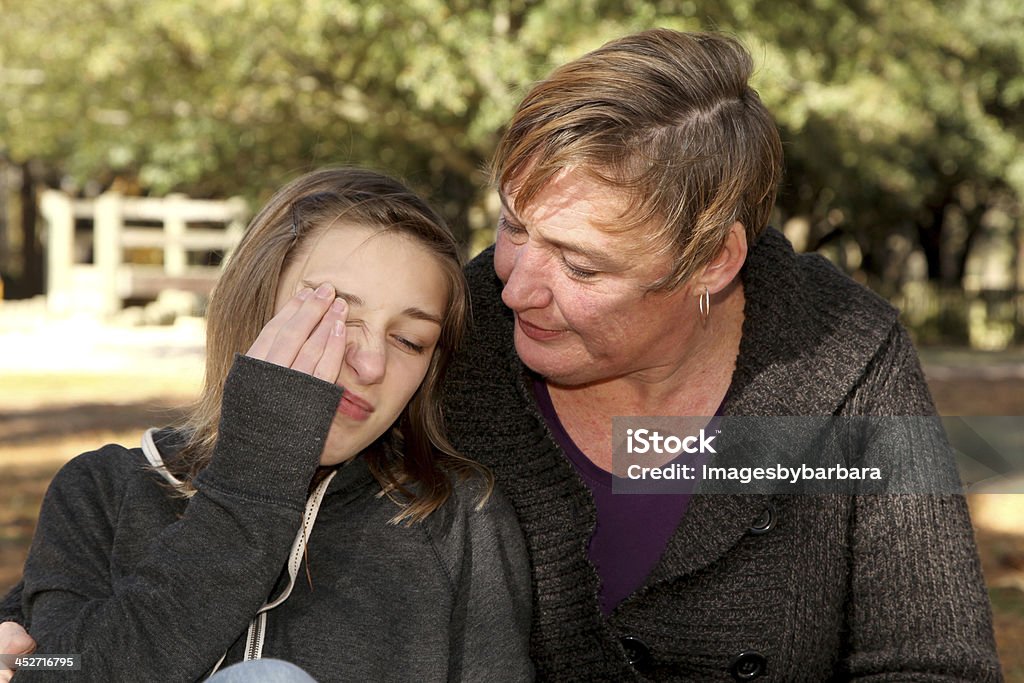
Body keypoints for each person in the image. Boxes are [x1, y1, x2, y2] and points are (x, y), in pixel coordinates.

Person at [2, 28, 1004, 681]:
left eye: (579, 262)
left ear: (711, 261)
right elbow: (223, 497)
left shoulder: (838, 363)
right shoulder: (452, 332)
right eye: (514, 224)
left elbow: (930, 656)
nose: (516, 283)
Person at [0, 168, 532, 682]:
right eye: (335, 314)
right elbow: (53, 670)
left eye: (409, 340)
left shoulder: (460, 517)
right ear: (255, 305)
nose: (370, 364)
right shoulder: (100, 490)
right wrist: (254, 474)